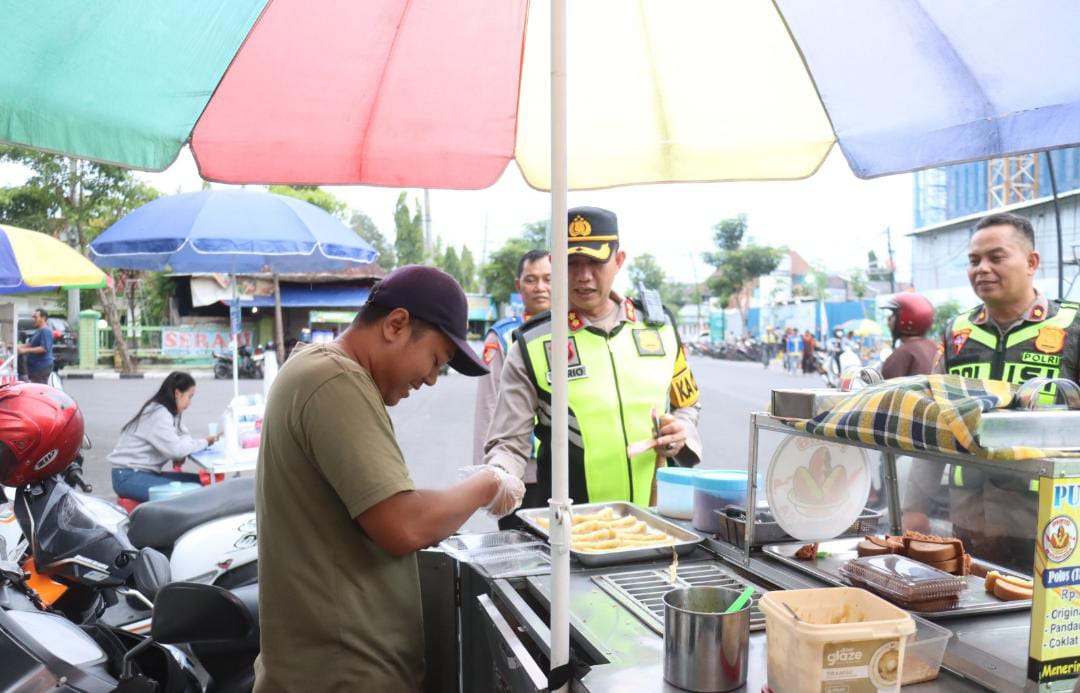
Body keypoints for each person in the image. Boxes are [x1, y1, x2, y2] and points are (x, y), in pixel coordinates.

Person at [254, 265, 524, 692]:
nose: (431, 378)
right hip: (341, 677)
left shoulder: (314, 368)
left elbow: (387, 506)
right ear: (396, 324)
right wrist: (488, 483)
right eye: (435, 359)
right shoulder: (335, 379)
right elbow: (403, 524)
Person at [483, 206, 702, 507]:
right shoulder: (532, 344)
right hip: (575, 523)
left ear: (619, 260)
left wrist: (681, 432)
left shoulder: (660, 327)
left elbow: (687, 404)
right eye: (572, 263)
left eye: (595, 262)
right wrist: (497, 480)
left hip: (659, 516)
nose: (584, 276)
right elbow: (508, 442)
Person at [902, 212, 1080, 570]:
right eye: (974, 260)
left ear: (1031, 263)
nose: (982, 269)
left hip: (1053, 522)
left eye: (996, 257)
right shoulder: (958, 333)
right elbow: (935, 422)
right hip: (969, 520)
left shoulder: (1071, 328)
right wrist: (914, 508)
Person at [473, 249, 551, 528]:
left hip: (564, 470)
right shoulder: (505, 336)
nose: (540, 287)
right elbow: (488, 404)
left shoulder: (575, 333)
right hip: (520, 473)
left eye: (548, 279)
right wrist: (488, 474)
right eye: (531, 279)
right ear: (519, 286)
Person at [107, 371, 215, 501]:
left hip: (144, 473)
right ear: (178, 393)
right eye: (189, 396)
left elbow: (183, 437)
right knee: (189, 495)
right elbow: (176, 450)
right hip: (128, 477)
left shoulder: (171, 413)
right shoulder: (159, 414)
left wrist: (182, 452)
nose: (190, 402)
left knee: (201, 483)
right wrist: (206, 442)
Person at [880, 293, 939, 379]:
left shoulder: (903, 353)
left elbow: (887, 384)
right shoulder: (936, 347)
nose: (889, 319)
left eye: (893, 314)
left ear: (906, 318)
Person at [18, 308, 53, 384]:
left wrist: (25, 350)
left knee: (39, 389)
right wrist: (16, 347)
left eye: (35, 317)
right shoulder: (38, 331)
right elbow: (30, 344)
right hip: (34, 368)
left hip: (41, 368)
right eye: (33, 317)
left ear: (43, 318)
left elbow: (44, 348)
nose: (33, 319)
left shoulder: (46, 331)